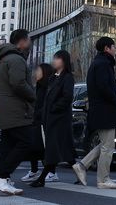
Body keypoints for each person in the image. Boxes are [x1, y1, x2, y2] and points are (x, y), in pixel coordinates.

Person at [72, 37, 116, 189]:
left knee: (105, 144)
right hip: (105, 110)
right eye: (114, 47)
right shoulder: (103, 64)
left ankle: (82, 166)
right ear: (107, 48)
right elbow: (104, 87)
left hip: (102, 110)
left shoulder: (100, 63)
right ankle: (103, 179)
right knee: (108, 146)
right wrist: (115, 100)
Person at [0, 29, 35, 195]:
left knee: (8, 147)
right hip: (16, 110)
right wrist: (33, 96)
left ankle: (1, 186)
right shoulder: (16, 59)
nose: (30, 43)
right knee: (27, 142)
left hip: (6, 110)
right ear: (22, 42)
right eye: (28, 40)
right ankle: (0, 177)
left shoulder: (6, 58)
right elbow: (18, 84)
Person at [30, 50, 76, 187]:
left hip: (60, 119)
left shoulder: (67, 77)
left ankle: (42, 178)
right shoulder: (53, 78)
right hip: (50, 118)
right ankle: (80, 169)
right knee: (63, 151)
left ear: (64, 61)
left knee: (53, 149)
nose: (54, 61)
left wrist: (53, 108)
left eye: (57, 59)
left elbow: (67, 98)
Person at [21, 64, 55, 183]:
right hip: (35, 120)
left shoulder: (48, 87)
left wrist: (38, 113)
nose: (36, 73)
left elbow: (46, 105)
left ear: (45, 72)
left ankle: (51, 172)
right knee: (34, 147)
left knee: (44, 148)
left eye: (38, 71)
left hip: (43, 121)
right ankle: (34, 171)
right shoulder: (38, 86)